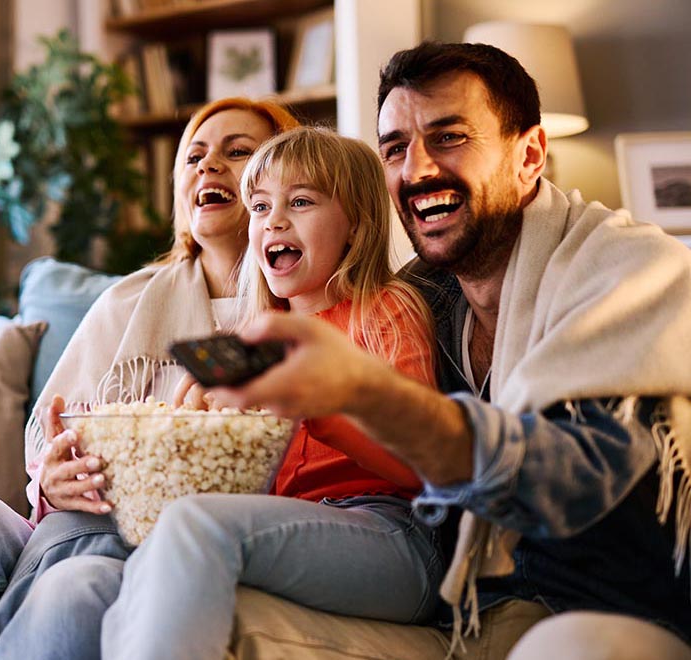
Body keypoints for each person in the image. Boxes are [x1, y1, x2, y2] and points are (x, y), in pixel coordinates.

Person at [207, 42, 691, 659]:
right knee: (218, 613)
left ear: (530, 155)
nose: (418, 170)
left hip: (604, 608)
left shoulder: (629, 270)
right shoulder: (418, 298)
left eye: (450, 137)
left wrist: (368, 396)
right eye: (395, 149)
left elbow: (582, 481)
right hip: (457, 610)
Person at [0, 97, 301, 660]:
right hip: (70, 524)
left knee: (77, 577)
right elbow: (52, 434)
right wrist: (51, 478)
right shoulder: (125, 302)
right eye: (194, 157)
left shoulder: (308, 312)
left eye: (238, 153)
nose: (208, 167)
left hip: (159, 547)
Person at [98, 125, 443, 660]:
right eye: (259, 207)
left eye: (300, 201)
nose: (273, 221)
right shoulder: (255, 336)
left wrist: (323, 412)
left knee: (195, 527)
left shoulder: (385, 311)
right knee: (110, 570)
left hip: (392, 534)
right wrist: (195, 418)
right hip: (285, 526)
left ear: (356, 224)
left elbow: (425, 470)